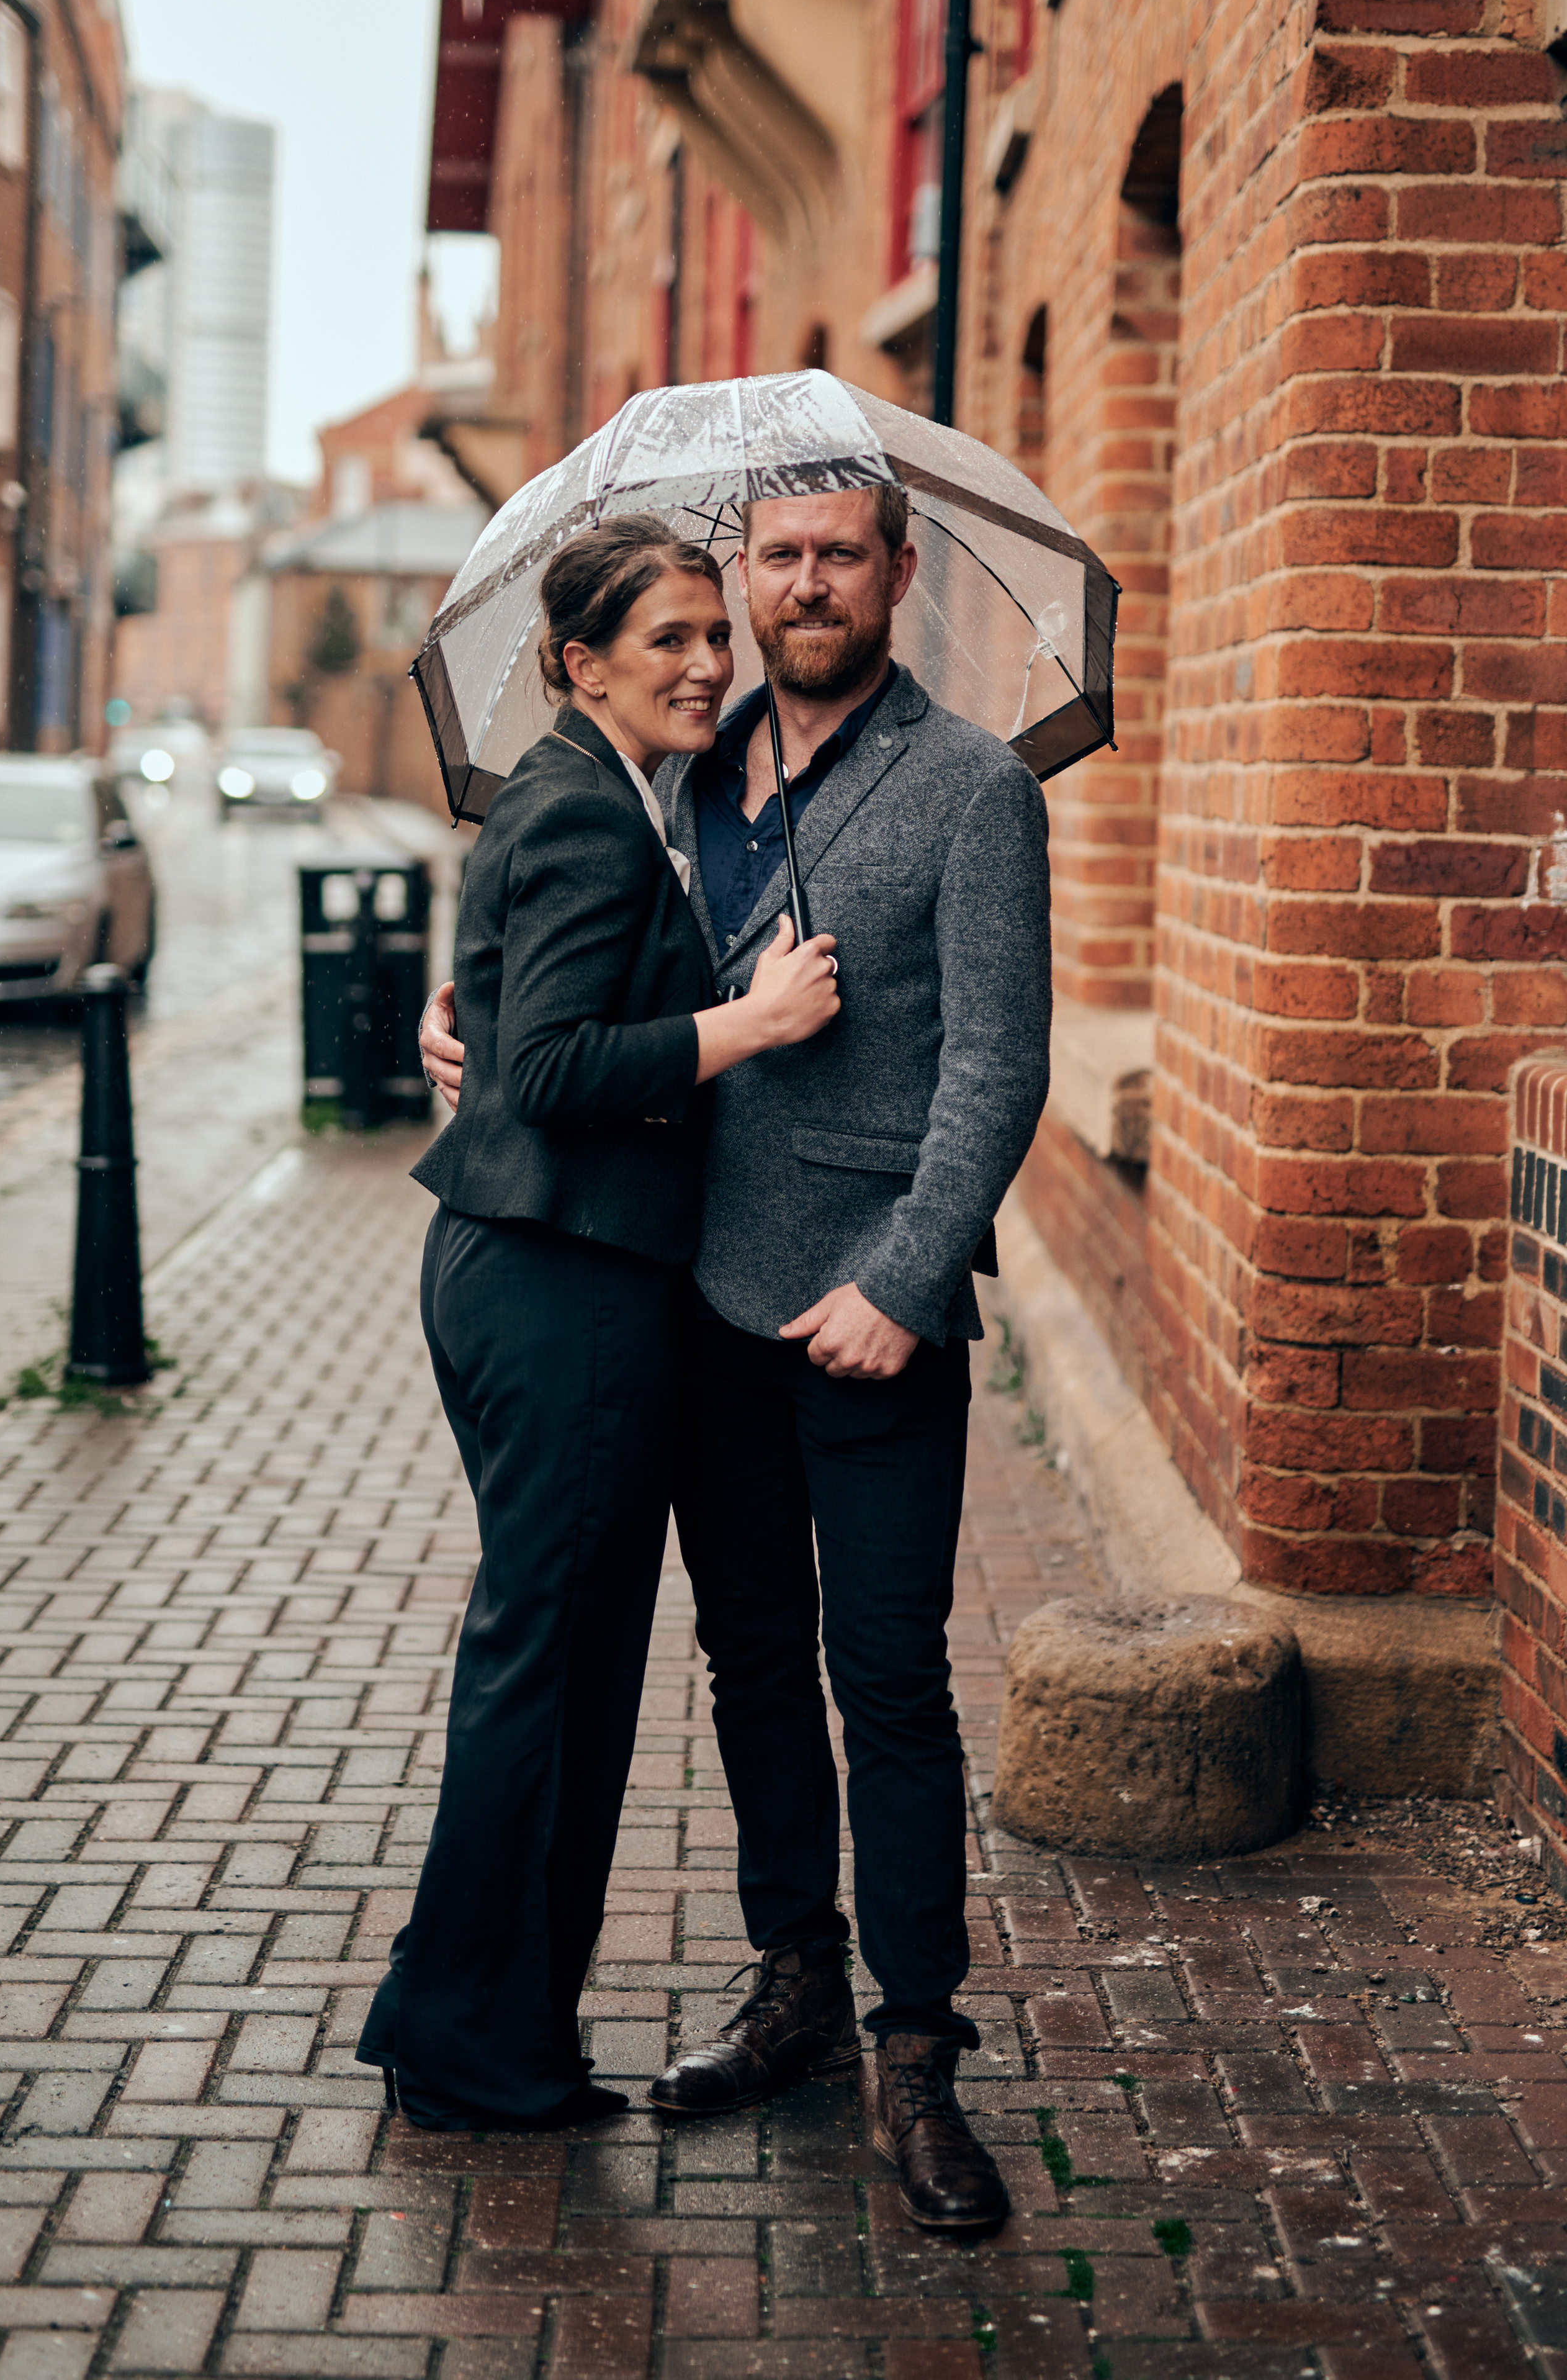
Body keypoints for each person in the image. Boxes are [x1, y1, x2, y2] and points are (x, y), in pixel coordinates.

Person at [420, 485, 1050, 2225]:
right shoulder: (685, 763)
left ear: (898, 577)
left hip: (870, 1320)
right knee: (756, 1674)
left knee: (896, 1689)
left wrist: (909, 1282)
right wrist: (461, 1014)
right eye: (774, 557)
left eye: (839, 553)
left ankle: (919, 2049)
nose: (801, 585)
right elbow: (582, 976)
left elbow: (998, 1073)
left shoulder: (974, 790)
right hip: (697, 1307)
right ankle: (798, 1990)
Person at [360, 514, 840, 2132]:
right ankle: (467, 2047)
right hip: (558, 1281)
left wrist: (475, 1025)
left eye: (720, 633)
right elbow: (559, 1070)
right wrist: (749, 1021)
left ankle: (488, 2025)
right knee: (544, 1670)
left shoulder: (594, 793)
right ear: (581, 664)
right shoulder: (584, 812)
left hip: (557, 1269)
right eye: (671, 642)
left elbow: (513, 1018)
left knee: (562, 1669)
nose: (711, 663)